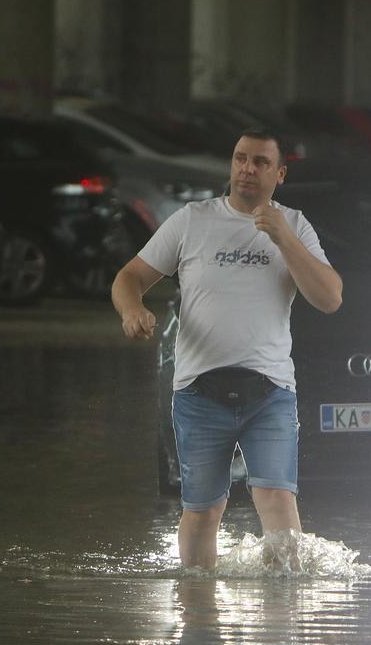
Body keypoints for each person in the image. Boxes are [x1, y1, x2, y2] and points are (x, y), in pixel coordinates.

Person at [111, 129, 343, 571]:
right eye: (240, 159)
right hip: (199, 392)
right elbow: (128, 278)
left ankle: (283, 621)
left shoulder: (294, 225)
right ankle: (198, 614)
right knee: (202, 511)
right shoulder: (192, 220)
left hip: (270, 391)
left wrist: (283, 239)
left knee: (276, 500)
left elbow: (330, 298)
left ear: (280, 173)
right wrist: (131, 310)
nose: (247, 170)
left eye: (259, 162)